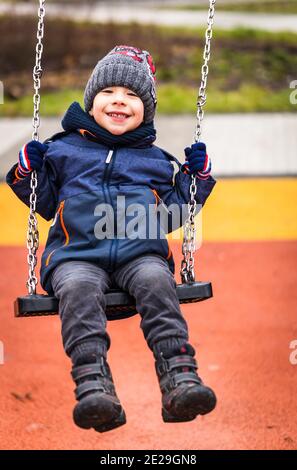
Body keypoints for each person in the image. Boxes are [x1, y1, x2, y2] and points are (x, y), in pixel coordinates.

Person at [7, 45, 217, 433]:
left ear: (146, 111)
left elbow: (174, 213)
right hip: (77, 257)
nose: (119, 100)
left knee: (157, 281)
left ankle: (180, 378)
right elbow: (44, 199)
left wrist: (197, 181)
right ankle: (94, 386)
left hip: (141, 255)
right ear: (91, 102)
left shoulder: (156, 159)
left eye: (133, 95)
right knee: (77, 289)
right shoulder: (63, 150)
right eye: (108, 92)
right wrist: (26, 169)